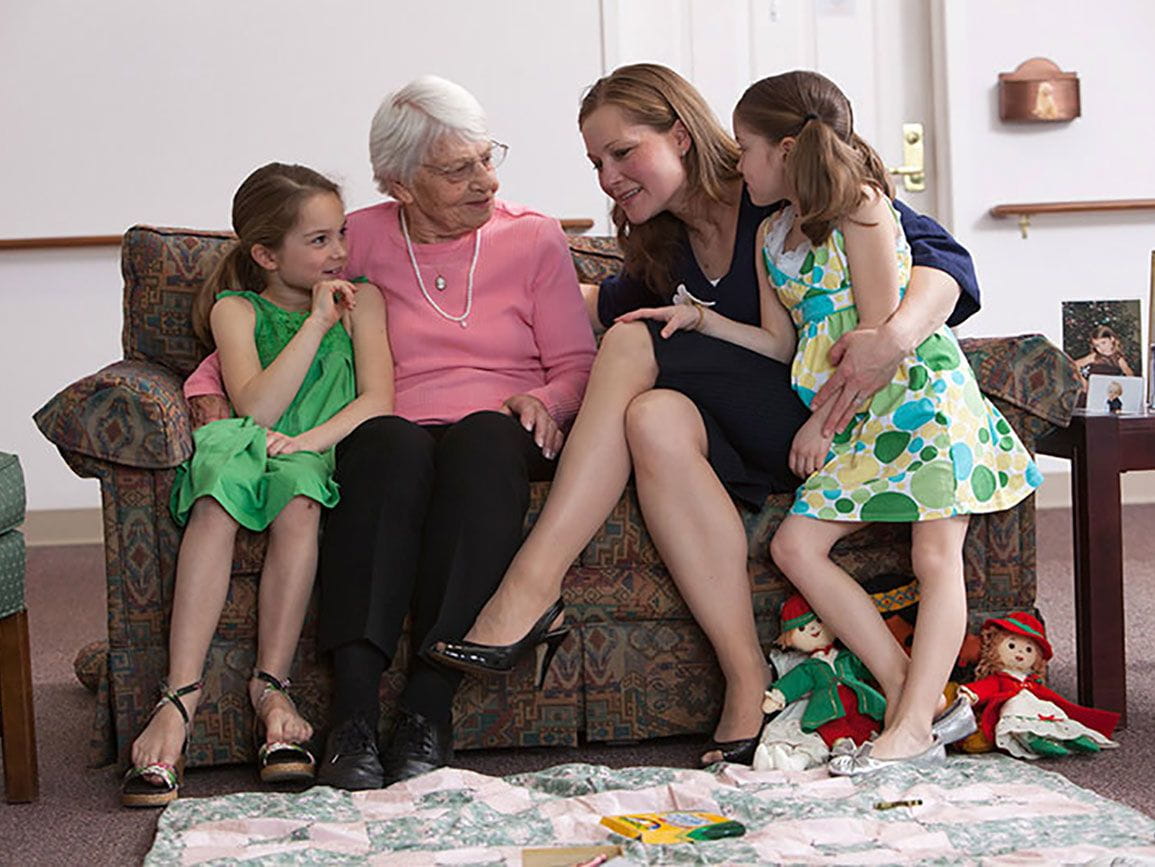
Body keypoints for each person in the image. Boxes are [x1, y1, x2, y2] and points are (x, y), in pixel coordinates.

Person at [427, 63, 983, 769]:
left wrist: (891, 339)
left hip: (831, 416)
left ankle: (533, 584)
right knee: (654, 415)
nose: (607, 176)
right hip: (756, 433)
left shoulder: (777, 187)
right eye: (596, 162)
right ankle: (746, 680)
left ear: (682, 136)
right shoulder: (660, 243)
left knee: (634, 340)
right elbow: (588, 301)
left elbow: (943, 260)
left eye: (622, 152)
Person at [183, 75, 596, 790]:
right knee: (387, 443)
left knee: (478, 441)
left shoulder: (532, 236)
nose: (485, 180)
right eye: (458, 168)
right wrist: (204, 394)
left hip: (502, 429)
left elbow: (577, 363)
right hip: (395, 421)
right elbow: (261, 315)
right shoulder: (356, 239)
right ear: (399, 185)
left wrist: (546, 400)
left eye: (486, 157)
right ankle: (351, 715)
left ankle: (427, 710)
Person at [732, 69, 1042, 774]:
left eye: (744, 148)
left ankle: (906, 729)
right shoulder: (768, 237)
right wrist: (699, 322)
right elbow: (778, 344)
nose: (738, 164)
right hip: (854, 417)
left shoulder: (861, 206)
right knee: (795, 547)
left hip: (915, 400)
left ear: (784, 148)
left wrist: (818, 427)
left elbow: (876, 340)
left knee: (935, 557)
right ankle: (912, 690)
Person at [121, 163, 393, 808]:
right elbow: (257, 410)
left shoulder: (366, 300)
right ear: (267, 255)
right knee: (216, 498)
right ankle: (179, 697)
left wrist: (310, 443)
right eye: (319, 241)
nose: (339, 255)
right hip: (242, 437)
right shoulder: (235, 310)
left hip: (312, 446)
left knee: (300, 500)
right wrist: (316, 325)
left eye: (341, 236)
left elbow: (378, 400)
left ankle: (270, 687)